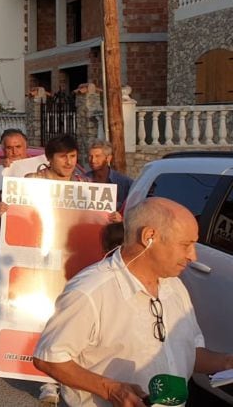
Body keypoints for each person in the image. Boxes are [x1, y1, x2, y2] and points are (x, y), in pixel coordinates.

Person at [33, 198, 233, 407]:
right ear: (149, 237)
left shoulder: (174, 286)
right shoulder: (90, 291)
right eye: (185, 245)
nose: (193, 256)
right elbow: (48, 357)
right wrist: (112, 390)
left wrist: (227, 362)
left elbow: (191, 351)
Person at [87, 140, 134, 210]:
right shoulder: (82, 180)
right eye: (90, 156)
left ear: (108, 158)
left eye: (97, 156)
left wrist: (121, 217)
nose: (93, 160)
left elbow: (133, 208)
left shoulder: (124, 182)